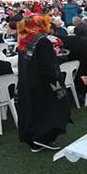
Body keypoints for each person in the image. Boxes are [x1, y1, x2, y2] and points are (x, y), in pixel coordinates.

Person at [16, 14, 70, 152]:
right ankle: (43, 137)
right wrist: (57, 84)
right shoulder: (42, 41)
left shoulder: (23, 40)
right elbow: (48, 68)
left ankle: (33, 138)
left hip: (27, 82)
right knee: (51, 109)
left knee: (32, 110)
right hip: (43, 83)